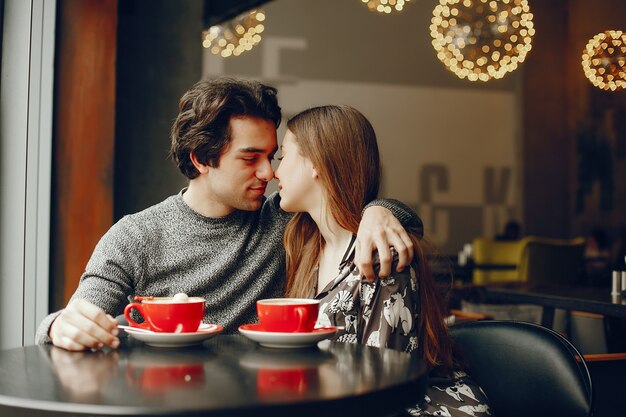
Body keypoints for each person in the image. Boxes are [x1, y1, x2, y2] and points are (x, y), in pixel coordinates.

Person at [37, 78, 421, 351]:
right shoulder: (136, 236)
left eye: (272, 156)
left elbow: (355, 212)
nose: (268, 173)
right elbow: (79, 316)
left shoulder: (285, 220)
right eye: (250, 158)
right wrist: (58, 325)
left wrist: (380, 209)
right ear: (202, 159)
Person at [274, 105, 492, 417]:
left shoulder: (380, 255)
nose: (274, 172)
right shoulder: (306, 247)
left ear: (315, 163)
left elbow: (382, 388)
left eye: (283, 156)